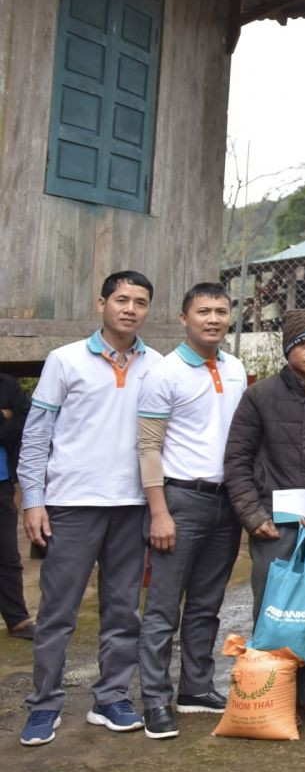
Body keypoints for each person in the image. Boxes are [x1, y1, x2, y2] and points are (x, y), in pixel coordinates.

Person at [18, 271, 156, 746]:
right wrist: (33, 500)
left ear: (148, 310)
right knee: (58, 610)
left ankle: (111, 698)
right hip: (72, 505)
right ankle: (45, 704)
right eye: (121, 299)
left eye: (140, 301)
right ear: (102, 304)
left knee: (123, 610)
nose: (130, 308)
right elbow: (36, 436)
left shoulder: (155, 365)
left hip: (131, 504)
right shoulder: (64, 361)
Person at [224, 308, 305, 726]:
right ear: (287, 349)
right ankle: (274, 695)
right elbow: (237, 460)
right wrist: (252, 514)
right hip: (272, 523)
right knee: (275, 610)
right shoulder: (258, 396)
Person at [133, 282, 248, 740]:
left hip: (226, 502)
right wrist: (159, 512)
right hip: (179, 500)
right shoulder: (163, 373)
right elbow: (148, 446)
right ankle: (156, 699)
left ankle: (196, 687)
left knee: (207, 603)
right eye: (204, 311)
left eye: (221, 310)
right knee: (162, 608)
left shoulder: (236, 368)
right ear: (184, 318)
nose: (214, 319)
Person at [0, 370, 33, 639]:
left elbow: (26, 419)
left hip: (1, 483)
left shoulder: (6, 383)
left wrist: (9, 419)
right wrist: (2, 416)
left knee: (8, 554)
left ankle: (17, 619)